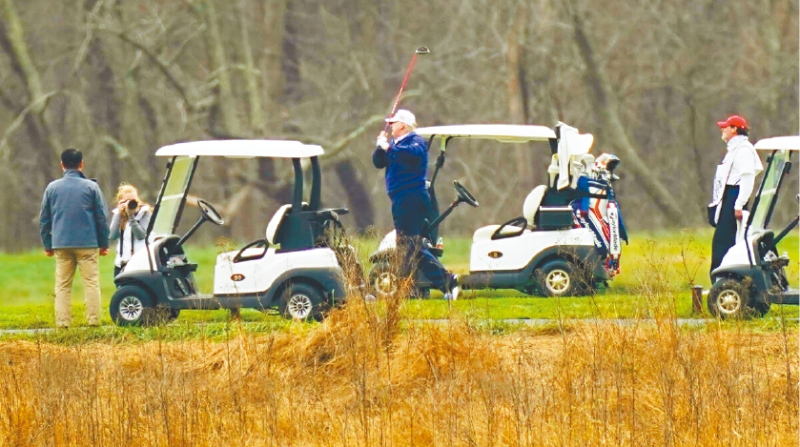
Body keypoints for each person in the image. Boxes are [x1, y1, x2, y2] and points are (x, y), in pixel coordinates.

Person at [372, 109, 459, 300]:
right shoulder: (394, 145)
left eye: (393, 123)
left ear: (402, 125)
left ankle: (410, 289)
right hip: (399, 199)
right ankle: (446, 282)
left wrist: (388, 148)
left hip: (412, 197)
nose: (391, 125)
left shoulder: (415, 141)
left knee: (408, 245)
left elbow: (410, 155)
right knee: (412, 246)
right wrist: (380, 147)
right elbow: (378, 163)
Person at [39, 148, 110, 328]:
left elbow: (45, 219)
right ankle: (93, 322)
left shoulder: (52, 188)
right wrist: (103, 244)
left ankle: (63, 324)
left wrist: (48, 244)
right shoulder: (91, 187)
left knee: (62, 285)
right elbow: (101, 217)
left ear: (62, 165)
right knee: (91, 283)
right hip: (88, 243)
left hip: (61, 243)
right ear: (81, 164)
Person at [708, 115, 763, 279]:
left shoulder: (744, 150)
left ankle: (723, 279)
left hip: (734, 198)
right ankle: (722, 279)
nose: (722, 129)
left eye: (726, 127)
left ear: (734, 129)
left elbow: (747, 178)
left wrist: (738, 205)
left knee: (724, 242)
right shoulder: (735, 149)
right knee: (723, 241)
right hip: (729, 198)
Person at [109, 183, 152, 278]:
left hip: (140, 262)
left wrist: (131, 216)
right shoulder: (119, 214)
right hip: (122, 262)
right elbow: (112, 235)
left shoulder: (144, 212)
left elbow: (141, 235)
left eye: (133, 200)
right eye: (127, 201)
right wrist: (119, 215)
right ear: (121, 201)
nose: (130, 203)